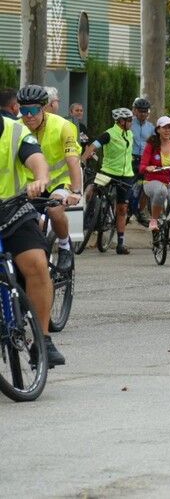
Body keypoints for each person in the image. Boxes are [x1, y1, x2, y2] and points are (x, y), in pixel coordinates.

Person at [0, 112, 66, 366]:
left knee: (37, 264)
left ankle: (43, 340)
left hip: (11, 210)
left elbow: (37, 159)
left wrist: (40, 179)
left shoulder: (14, 130)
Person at [16, 85, 82, 271]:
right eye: (24, 111)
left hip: (60, 181)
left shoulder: (63, 126)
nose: (29, 116)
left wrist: (76, 191)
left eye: (34, 110)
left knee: (54, 210)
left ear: (44, 108)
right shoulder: (16, 127)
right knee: (25, 219)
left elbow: (72, 160)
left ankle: (65, 246)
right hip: (30, 184)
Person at [82, 108, 136, 254]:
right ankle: (89, 217)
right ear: (121, 121)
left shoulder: (130, 134)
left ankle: (120, 243)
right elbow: (93, 146)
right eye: (129, 120)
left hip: (126, 175)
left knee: (122, 208)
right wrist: (82, 160)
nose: (131, 122)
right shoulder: (109, 134)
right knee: (91, 191)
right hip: (108, 172)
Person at [139, 116, 170, 231]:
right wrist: (147, 168)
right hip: (152, 181)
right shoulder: (151, 146)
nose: (167, 130)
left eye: (169, 127)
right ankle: (154, 220)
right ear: (158, 130)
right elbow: (142, 167)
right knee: (161, 191)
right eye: (164, 128)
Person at [130, 97, 155, 171]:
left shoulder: (151, 127)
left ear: (148, 112)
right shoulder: (129, 124)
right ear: (135, 111)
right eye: (141, 111)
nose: (143, 114)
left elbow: (154, 143)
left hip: (145, 158)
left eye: (145, 111)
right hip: (131, 158)